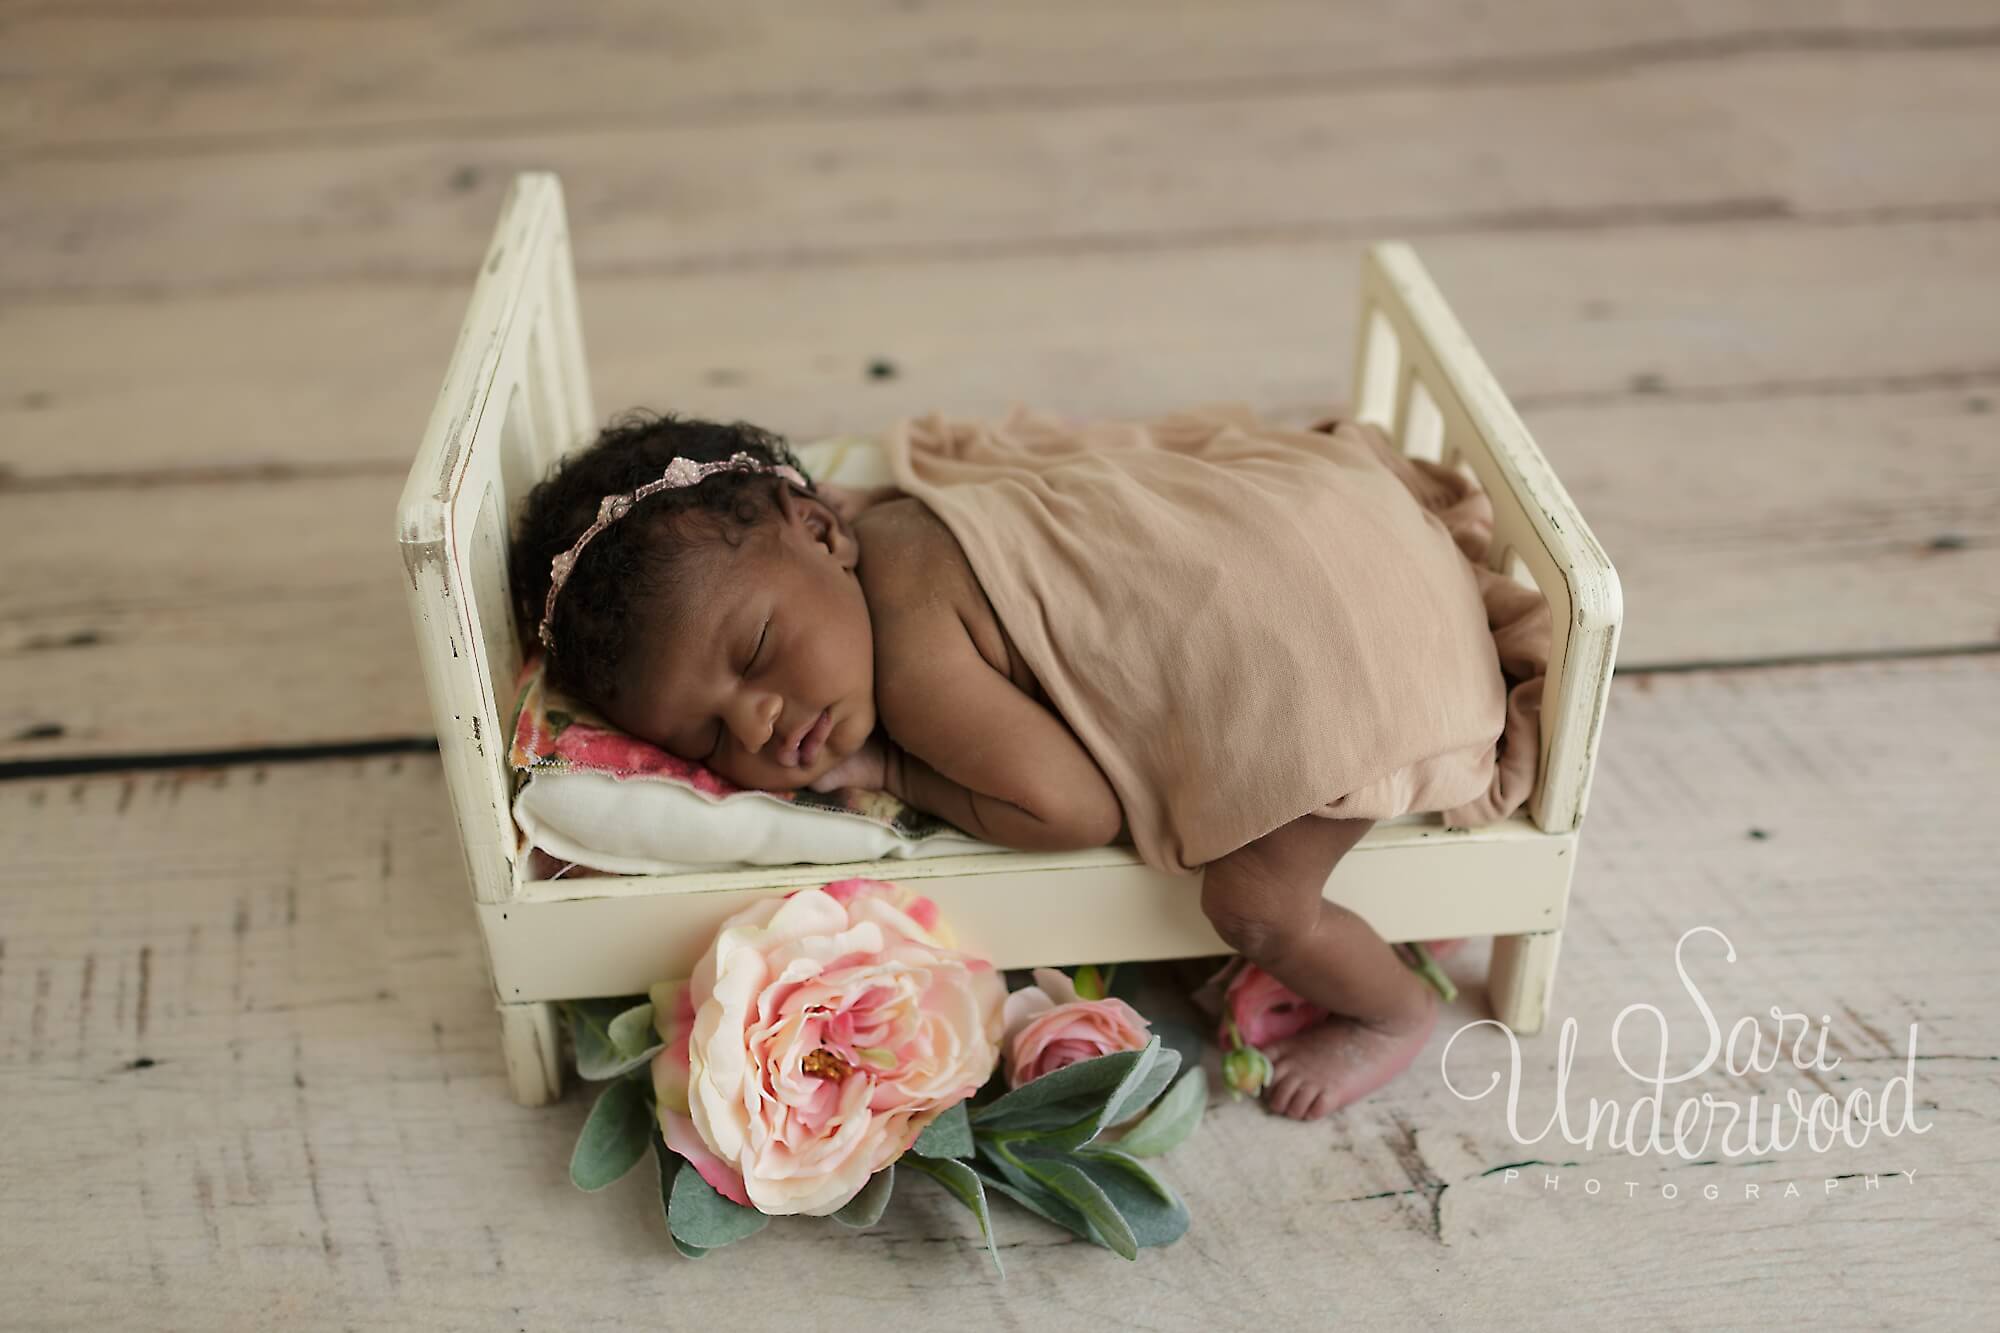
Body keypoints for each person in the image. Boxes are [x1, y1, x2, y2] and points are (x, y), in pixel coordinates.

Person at [510, 404, 1548, 1121]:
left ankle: (1393, 1008)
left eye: (754, 651)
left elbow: (1070, 810)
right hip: (1336, 531)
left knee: (1253, 908)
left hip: (1353, 662)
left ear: (822, 530)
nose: (761, 725)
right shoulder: (901, 523)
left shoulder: (913, 658)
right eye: (704, 739)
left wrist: (893, 769)